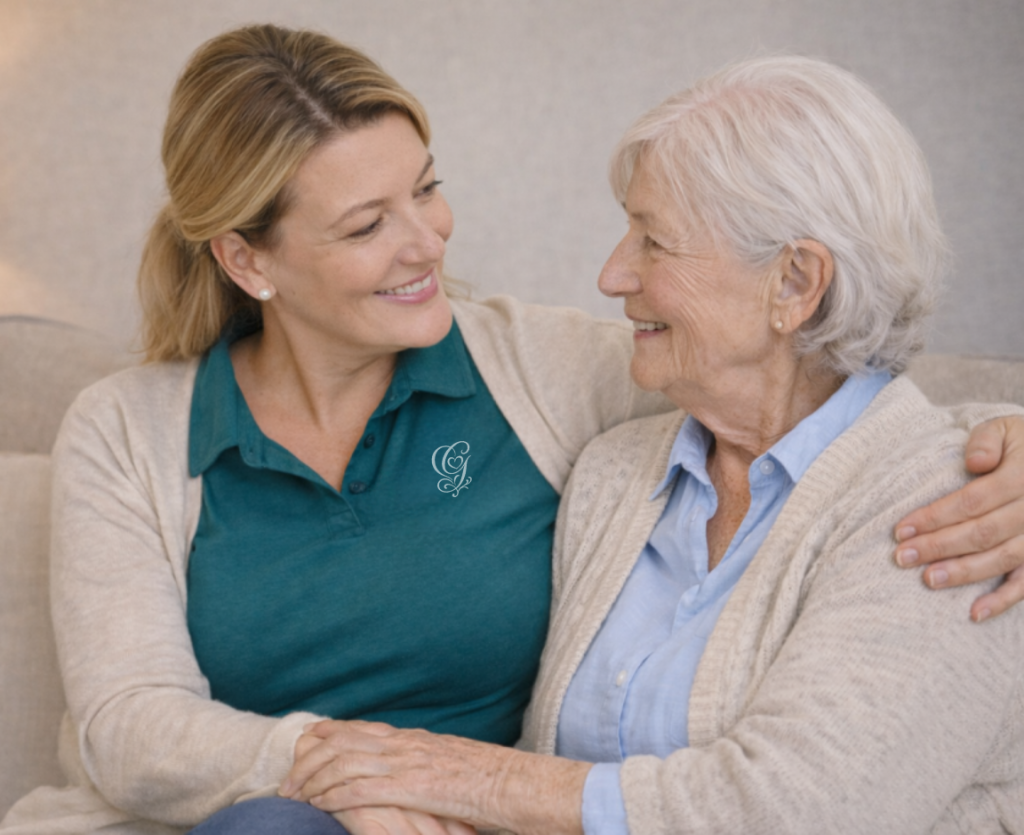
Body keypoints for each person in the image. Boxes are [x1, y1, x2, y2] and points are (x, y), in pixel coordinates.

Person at [1, 28, 1021, 835]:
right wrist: (365, 778)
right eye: (366, 225)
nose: (426, 242)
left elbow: (818, 381)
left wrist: (1002, 438)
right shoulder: (129, 430)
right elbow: (126, 726)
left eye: (428, 188)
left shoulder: (547, 372)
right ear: (247, 261)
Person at [279, 56, 1024, 834]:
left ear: (796, 282)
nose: (610, 273)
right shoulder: (614, 474)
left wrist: (469, 777)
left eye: (654, 241)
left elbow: (802, 809)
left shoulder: (960, 510)